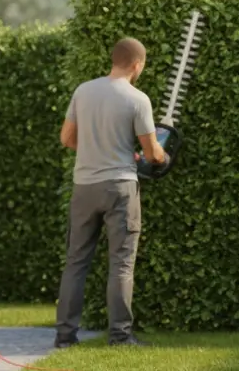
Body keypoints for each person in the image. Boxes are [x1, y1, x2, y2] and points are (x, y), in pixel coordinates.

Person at [54, 37, 168, 348]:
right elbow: (151, 152)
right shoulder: (137, 99)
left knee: (76, 261)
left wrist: (96, 149)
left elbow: (67, 138)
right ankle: (120, 335)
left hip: (84, 187)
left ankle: (64, 337)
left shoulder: (84, 91)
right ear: (137, 65)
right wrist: (161, 156)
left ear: (113, 60)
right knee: (121, 262)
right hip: (119, 187)